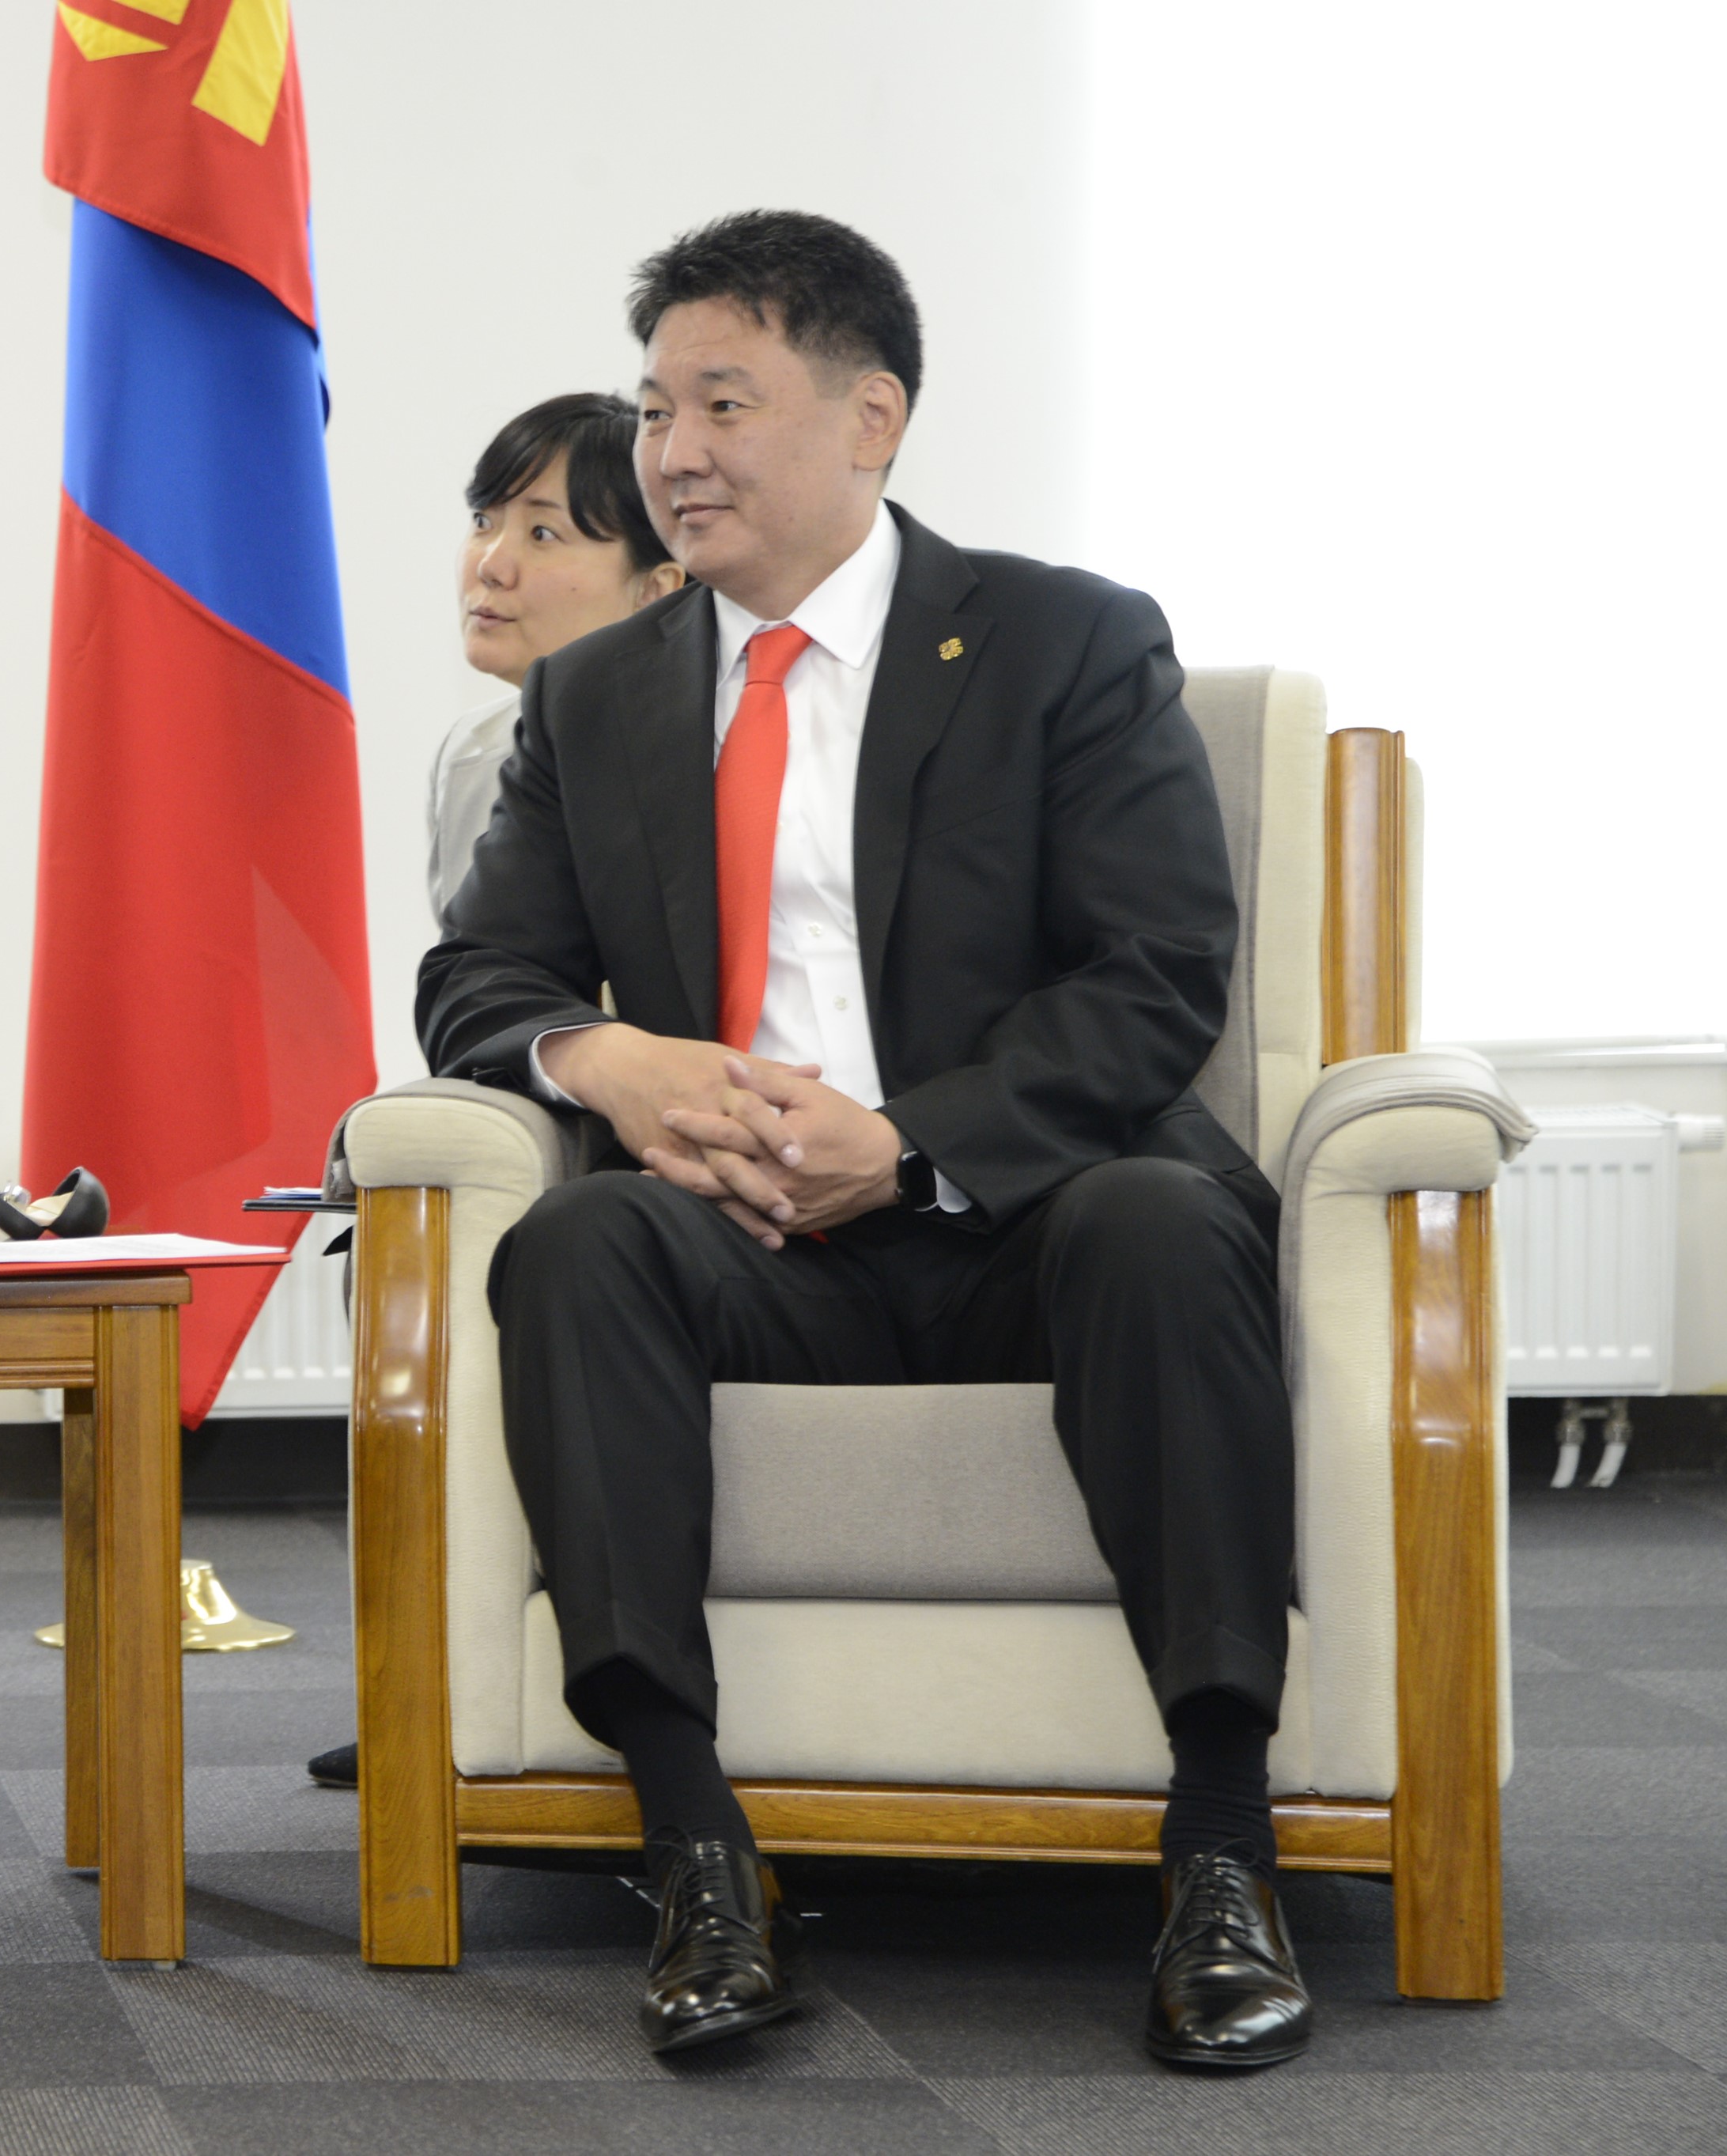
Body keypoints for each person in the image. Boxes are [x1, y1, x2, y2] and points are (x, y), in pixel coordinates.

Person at [422, 212, 1308, 2071]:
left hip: (1022, 1223)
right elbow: (480, 976)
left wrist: (904, 1144)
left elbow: (1155, 976)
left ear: (870, 416)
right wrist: (609, 1060)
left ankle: (1222, 1850)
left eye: (720, 403)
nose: (671, 452)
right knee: (573, 1243)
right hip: (752, 1244)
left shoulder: (1062, 640)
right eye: (654, 408)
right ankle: (697, 1854)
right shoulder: (597, 695)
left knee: (1162, 1221)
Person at [428, 392, 686, 921]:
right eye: (483, 521)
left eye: (542, 533)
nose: (491, 565)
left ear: (655, 591)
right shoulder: (472, 752)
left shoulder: (709, 763)